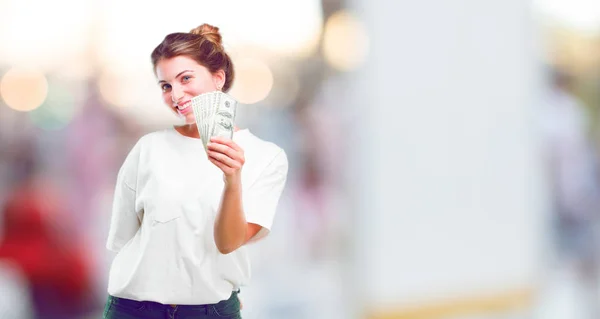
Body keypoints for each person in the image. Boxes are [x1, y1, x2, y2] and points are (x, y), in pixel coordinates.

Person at [103, 23, 289, 319]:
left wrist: (232, 180)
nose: (176, 95)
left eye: (185, 78)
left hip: (210, 311)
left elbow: (228, 244)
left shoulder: (266, 157)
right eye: (166, 85)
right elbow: (126, 241)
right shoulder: (148, 148)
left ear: (218, 78)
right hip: (134, 308)